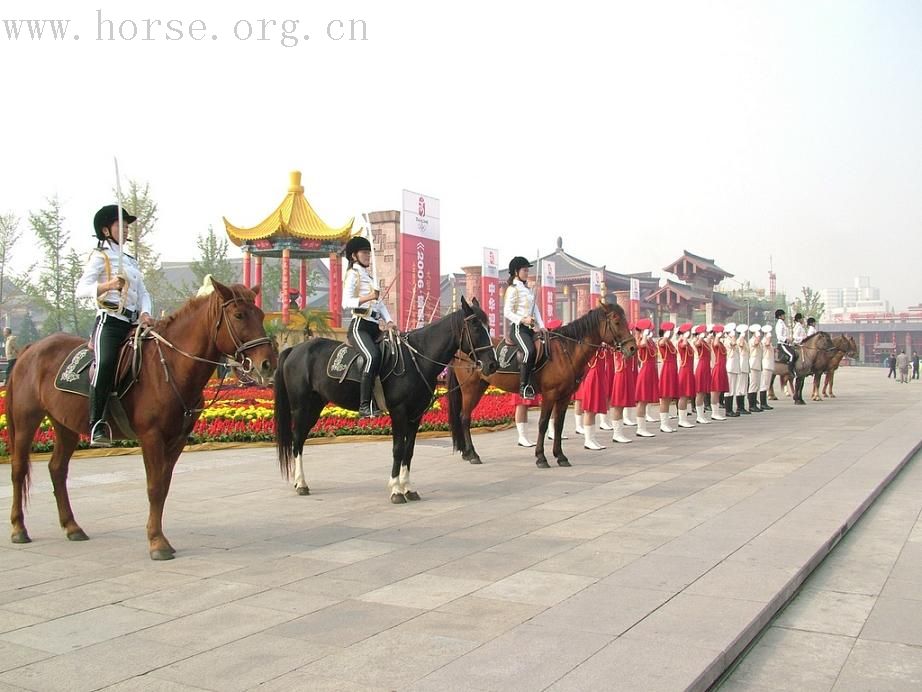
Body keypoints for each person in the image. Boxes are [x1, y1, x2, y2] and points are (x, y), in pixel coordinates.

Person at [76, 204, 154, 447]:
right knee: (107, 362)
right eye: (122, 224)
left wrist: (145, 313)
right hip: (109, 323)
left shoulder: (130, 260)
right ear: (106, 230)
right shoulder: (99, 257)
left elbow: (143, 292)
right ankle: (97, 423)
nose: (127, 228)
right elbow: (80, 290)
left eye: (128, 224)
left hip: (133, 323)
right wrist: (108, 286)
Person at [341, 235, 395, 418]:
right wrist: (369, 297)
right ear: (354, 256)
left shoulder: (370, 277)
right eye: (364, 253)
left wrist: (388, 321)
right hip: (359, 326)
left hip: (374, 326)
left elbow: (379, 304)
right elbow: (346, 302)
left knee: (393, 352)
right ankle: (364, 406)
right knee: (372, 356)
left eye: (368, 253)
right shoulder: (353, 274)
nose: (367, 256)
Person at [503, 256, 544, 399]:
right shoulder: (512, 289)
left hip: (531, 329)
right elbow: (507, 312)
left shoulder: (527, 290)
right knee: (529, 351)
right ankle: (524, 386)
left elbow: (535, 309)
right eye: (524, 270)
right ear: (516, 271)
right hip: (518, 329)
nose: (527, 273)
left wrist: (542, 326)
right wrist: (523, 319)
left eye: (527, 270)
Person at [656, 322, 679, 433]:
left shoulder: (669, 342)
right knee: (665, 398)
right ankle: (663, 424)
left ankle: (666, 423)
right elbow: (661, 344)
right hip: (667, 369)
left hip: (673, 369)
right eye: (670, 330)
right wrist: (665, 336)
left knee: (669, 398)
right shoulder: (662, 340)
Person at [675, 322, 696, 428]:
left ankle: (684, 418)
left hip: (689, 370)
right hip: (684, 370)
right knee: (683, 396)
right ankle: (681, 419)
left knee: (687, 395)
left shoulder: (688, 343)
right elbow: (683, 345)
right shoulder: (681, 342)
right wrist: (684, 338)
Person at [774, 309, 797, 380]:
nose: (785, 316)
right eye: (784, 315)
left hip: (787, 344)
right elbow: (779, 336)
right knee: (791, 355)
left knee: (796, 353)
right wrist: (787, 339)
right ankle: (790, 371)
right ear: (780, 316)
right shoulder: (779, 324)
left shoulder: (783, 323)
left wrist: (790, 339)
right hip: (782, 344)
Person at [759, 324, 775, 410]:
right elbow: (767, 344)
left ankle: (764, 402)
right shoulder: (764, 340)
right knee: (764, 384)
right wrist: (768, 336)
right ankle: (763, 403)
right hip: (765, 364)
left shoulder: (766, 341)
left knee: (766, 384)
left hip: (769, 364)